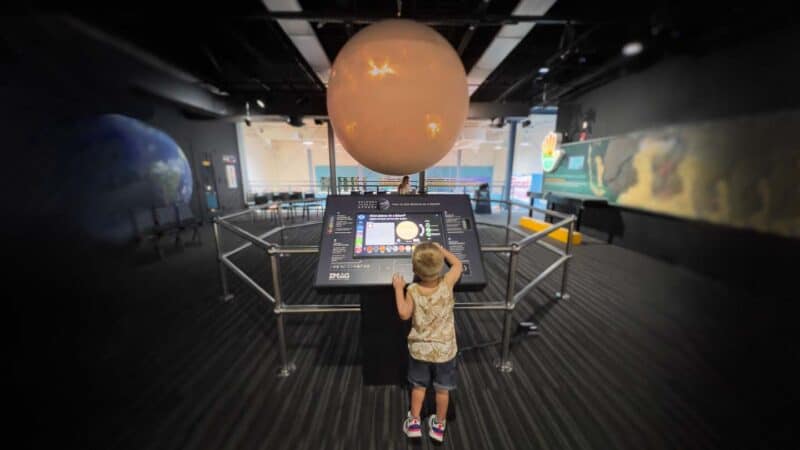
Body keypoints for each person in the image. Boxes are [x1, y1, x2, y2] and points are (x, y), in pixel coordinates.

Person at [392, 242, 463, 443]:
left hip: (420, 351)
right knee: (442, 389)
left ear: (414, 269)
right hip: (445, 351)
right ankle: (439, 425)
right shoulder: (447, 283)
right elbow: (458, 265)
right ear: (440, 266)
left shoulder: (413, 289)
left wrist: (399, 288)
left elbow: (404, 313)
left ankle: (414, 422)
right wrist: (442, 251)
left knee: (418, 387)